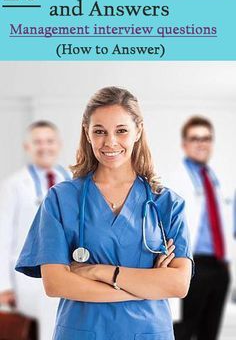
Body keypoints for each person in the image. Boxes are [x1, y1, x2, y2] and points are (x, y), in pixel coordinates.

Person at [15, 87, 194, 340]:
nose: (110, 142)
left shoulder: (167, 203)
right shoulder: (61, 199)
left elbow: (177, 285)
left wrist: (98, 272)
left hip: (148, 333)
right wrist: (146, 286)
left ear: (138, 131)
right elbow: (55, 284)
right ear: (87, 133)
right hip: (82, 333)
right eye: (99, 131)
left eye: (121, 130)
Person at [0, 120, 70, 340]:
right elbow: (3, 236)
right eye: (37, 142)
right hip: (29, 277)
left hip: (70, 271)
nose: (44, 147)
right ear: (27, 147)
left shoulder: (73, 180)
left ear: (58, 144)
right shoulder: (14, 185)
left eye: (49, 141)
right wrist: (3, 286)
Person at [166, 116, 233, 340]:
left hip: (219, 268)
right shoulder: (176, 179)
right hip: (191, 265)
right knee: (184, 331)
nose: (201, 143)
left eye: (206, 138)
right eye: (195, 138)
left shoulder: (216, 179)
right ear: (184, 144)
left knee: (209, 333)